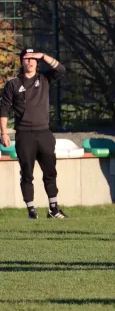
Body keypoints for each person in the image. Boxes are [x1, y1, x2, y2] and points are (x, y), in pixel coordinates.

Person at [0, 48, 67, 219]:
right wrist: (4, 133)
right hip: (24, 135)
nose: (30, 62)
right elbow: (4, 110)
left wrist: (44, 56)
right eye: (26, 59)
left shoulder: (44, 78)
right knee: (27, 173)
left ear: (37, 62)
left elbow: (61, 69)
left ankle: (54, 209)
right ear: (21, 61)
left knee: (50, 172)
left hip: (44, 133)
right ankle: (31, 211)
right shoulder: (13, 84)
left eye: (33, 59)